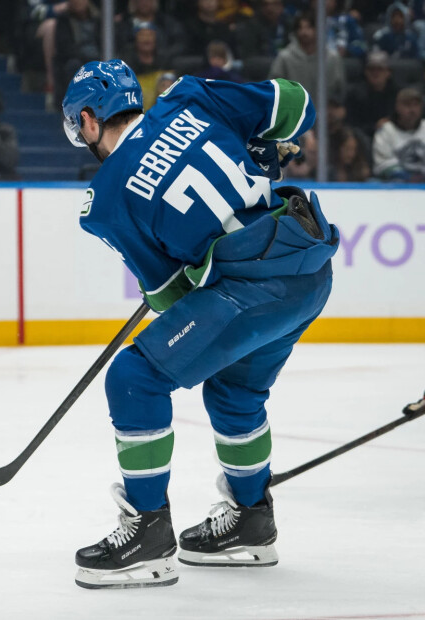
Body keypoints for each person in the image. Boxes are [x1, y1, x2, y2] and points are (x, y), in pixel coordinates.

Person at [61, 59, 338, 589]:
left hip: (250, 290)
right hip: (307, 270)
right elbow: (298, 104)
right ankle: (252, 522)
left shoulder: (105, 200)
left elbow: (170, 296)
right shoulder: (188, 97)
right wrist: (260, 143)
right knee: (235, 395)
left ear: (91, 121)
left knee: (134, 378)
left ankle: (147, 535)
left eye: (80, 128)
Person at [373, 86, 425, 181]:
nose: (412, 110)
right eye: (407, 105)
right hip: (395, 186)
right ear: (397, 107)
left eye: (416, 105)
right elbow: (381, 163)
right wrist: (406, 176)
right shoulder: (386, 130)